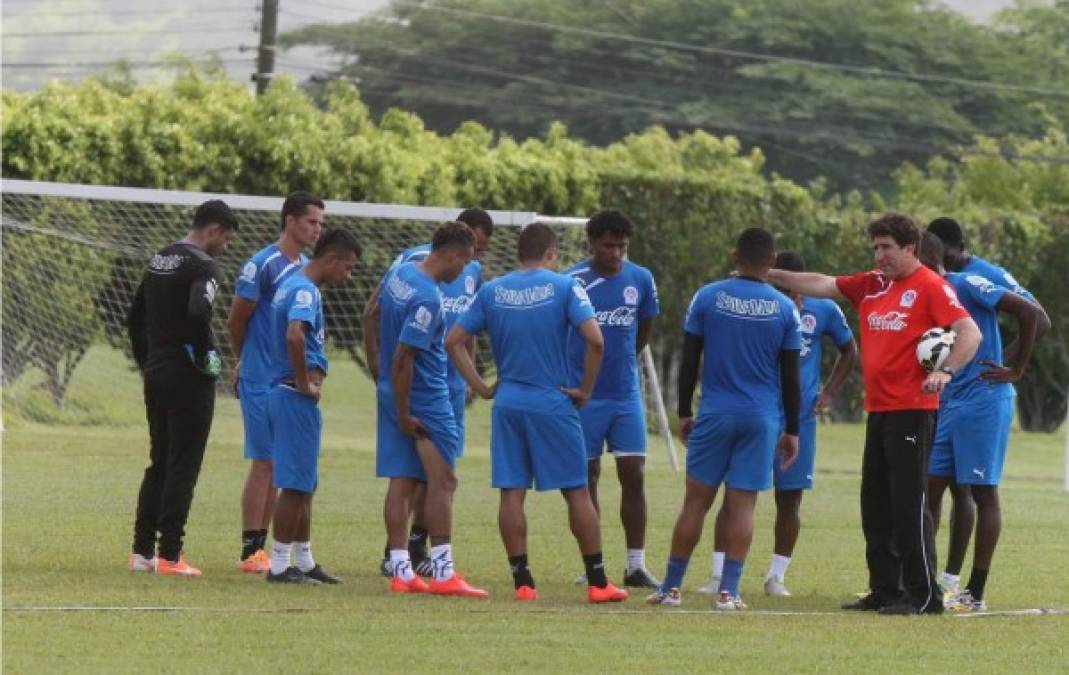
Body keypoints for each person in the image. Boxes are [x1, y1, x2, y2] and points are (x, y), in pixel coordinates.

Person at [767, 213, 981, 615]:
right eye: (875, 248)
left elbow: (970, 333)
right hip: (880, 409)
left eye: (886, 248)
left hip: (914, 411)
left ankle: (923, 596)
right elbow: (823, 283)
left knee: (908, 504)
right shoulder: (873, 284)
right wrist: (770, 273)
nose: (879, 255)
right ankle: (886, 589)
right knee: (876, 504)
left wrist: (944, 370)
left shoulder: (930, 286)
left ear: (910, 249)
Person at [446, 223, 628, 604]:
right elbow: (596, 340)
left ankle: (523, 582)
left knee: (512, 492)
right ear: (551, 253)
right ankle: (598, 582)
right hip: (552, 400)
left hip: (509, 401)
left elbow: (453, 340)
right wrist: (586, 389)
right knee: (576, 490)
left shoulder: (493, 289)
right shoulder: (565, 286)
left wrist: (481, 387)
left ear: (518, 253)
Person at [646, 227, 801, 611]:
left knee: (695, 504)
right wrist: (793, 429)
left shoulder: (708, 296)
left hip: (715, 414)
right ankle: (729, 593)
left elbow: (689, 358)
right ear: (771, 262)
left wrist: (684, 410)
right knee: (743, 506)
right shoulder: (785, 309)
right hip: (760, 419)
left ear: (735, 256)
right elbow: (791, 378)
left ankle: (671, 588)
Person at [696, 250, 858, 597]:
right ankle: (718, 573)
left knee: (790, 498)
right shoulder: (763, 305)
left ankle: (776, 576)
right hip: (757, 412)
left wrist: (829, 392)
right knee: (734, 494)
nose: (794, 296)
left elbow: (849, 350)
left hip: (799, 418)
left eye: (798, 290)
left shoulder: (825, 308)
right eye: (787, 290)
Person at [925, 217, 1051, 601]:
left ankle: (972, 588)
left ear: (945, 252)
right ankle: (927, 581)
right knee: (931, 489)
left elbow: (1035, 316)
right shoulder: (934, 288)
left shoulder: (976, 279)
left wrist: (1009, 366)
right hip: (949, 400)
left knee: (979, 491)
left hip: (982, 400)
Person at [364, 208, 494, 577]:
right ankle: (443, 571)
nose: (466, 269)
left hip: (401, 390)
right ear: (452, 254)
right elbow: (405, 355)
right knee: (444, 480)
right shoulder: (428, 297)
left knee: (403, 480)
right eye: (466, 259)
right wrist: (405, 411)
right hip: (424, 394)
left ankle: (402, 567)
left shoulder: (402, 274)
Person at [127, 200, 238, 576]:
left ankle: (142, 553)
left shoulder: (160, 258)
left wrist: (149, 362)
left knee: (159, 461)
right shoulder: (203, 265)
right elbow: (198, 311)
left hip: (157, 371)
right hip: (187, 376)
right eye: (226, 239)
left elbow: (134, 317)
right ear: (214, 230)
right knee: (184, 464)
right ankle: (171, 555)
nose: (226, 247)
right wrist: (205, 356)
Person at [563, 210, 661, 588]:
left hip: (625, 394)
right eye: (609, 246)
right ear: (592, 244)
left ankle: (636, 564)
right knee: (586, 478)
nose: (617, 253)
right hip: (583, 397)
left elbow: (645, 328)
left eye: (622, 246)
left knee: (633, 474)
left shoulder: (642, 278)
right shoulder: (571, 281)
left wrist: (624, 361)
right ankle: (594, 563)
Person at [228, 191, 323, 574]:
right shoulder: (262, 264)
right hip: (259, 376)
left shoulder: (304, 267)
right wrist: (243, 360)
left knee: (285, 465)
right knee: (265, 461)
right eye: (311, 221)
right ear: (290, 221)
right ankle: (252, 548)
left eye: (321, 223)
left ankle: (273, 548)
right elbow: (237, 319)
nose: (317, 229)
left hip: (284, 379)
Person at [265, 228, 361, 584]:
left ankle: (304, 560)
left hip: (288, 395)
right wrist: (305, 381)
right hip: (294, 396)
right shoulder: (304, 289)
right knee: (294, 485)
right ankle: (278, 565)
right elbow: (294, 334)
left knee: (304, 483)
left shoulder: (292, 283)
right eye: (348, 268)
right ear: (332, 259)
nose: (348, 275)